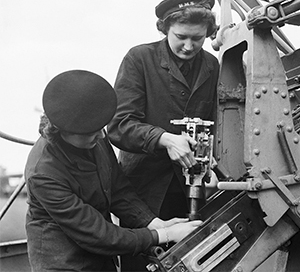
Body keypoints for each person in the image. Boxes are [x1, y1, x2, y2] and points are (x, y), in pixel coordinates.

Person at [24, 69, 201, 272]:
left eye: (102, 128)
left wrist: (155, 223)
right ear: (62, 130)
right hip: (64, 264)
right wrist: (166, 235)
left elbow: (118, 190)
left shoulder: (92, 135)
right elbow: (97, 234)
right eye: (93, 132)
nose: (101, 136)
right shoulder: (43, 173)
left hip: (101, 259)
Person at [107, 0, 219, 221]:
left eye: (197, 39)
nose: (189, 46)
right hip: (144, 190)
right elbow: (119, 126)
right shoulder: (139, 59)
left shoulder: (212, 65)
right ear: (164, 28)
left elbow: (215, 122)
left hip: (194, 190)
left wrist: (214, 163)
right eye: (181, 37)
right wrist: (166, 139)